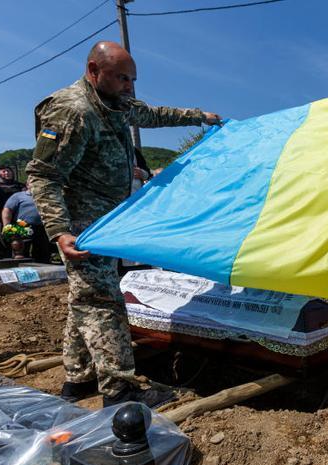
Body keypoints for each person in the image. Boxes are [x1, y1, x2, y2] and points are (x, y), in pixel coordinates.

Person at [26, 41, 221, 408]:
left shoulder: (114, 101)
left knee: (83, 298)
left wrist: (199, 116)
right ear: (93, 70)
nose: (129, 87)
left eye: (133, 80)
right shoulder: (72, 111)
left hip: (108, 219)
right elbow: (43, 175)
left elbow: (151, 114)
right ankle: (120, 390)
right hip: (83, 226)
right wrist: (60, 231)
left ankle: (78, 379)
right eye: (122, 79)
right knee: (102, 301)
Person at [2, 185, 51, 263]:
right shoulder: (18, 195)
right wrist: (6, 226)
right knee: (21, 254)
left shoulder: (45, 196)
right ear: (27, 184)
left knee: (43, 254)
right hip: (22, 225)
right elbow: (7, 210)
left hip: (42, 226)